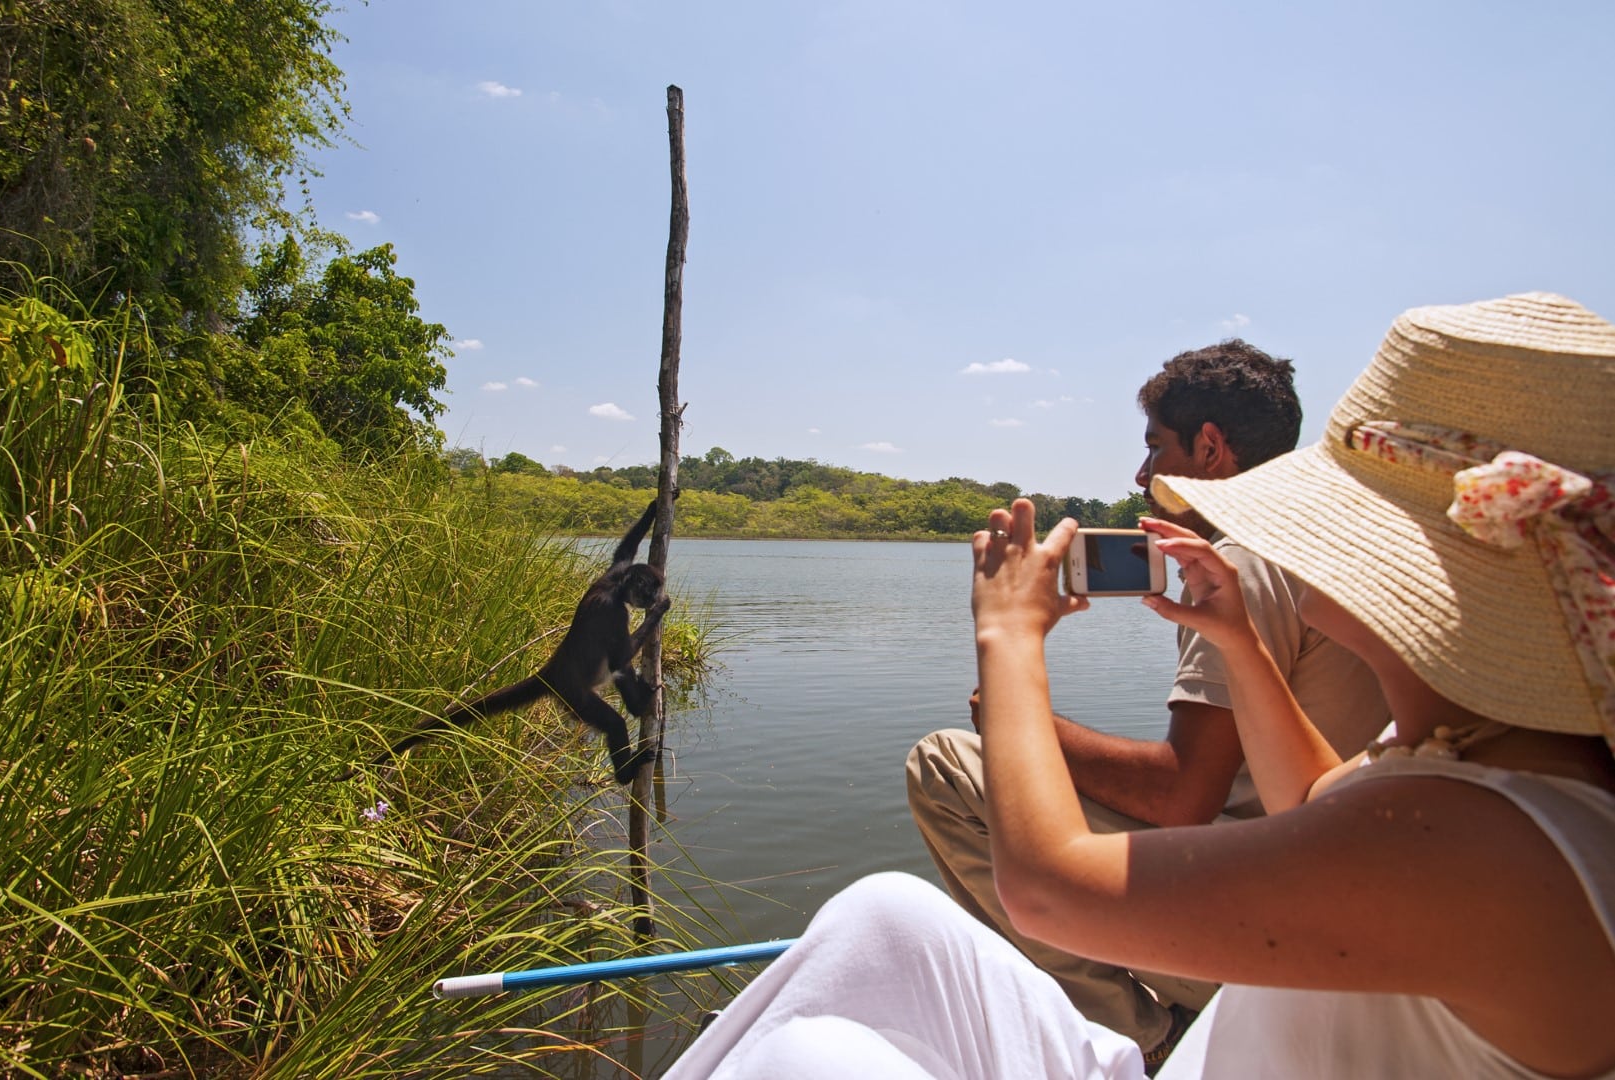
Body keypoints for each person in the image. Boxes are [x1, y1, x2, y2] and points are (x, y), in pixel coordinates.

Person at [665, 292, 1615, 1078]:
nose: (1303, 551)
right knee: (881, 914)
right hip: (1230, 1046)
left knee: (816, 1058)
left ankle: (1135, 1027)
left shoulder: (1492, 852)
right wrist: (1240, 640)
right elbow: (1316, 798)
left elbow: (1048, 893)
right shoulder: (1485, 760)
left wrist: (1007, 640)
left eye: (1338, 526)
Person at [906, 340, 1390, 1065]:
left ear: (1209, 446)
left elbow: (1179, 799)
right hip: (1354, 909)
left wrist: (1012, 714)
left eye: (1154, 448)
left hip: (1257, 934)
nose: (1140, 473)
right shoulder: (1338, 551)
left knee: (945, 764)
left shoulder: (1246, 563)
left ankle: (1147, 1041)